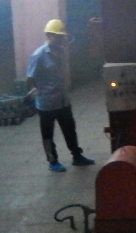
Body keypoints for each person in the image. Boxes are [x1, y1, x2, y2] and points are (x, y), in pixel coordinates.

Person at [26, 19, 95, 172]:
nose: (61, 40)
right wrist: (39, 91)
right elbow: (30, 78)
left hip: (63, 100)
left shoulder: (62, 51)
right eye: (58, 36)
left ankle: (77, 156)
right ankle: (53, 161)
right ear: (49, 36)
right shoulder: (38, 56)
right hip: (46, 103)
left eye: (62, 37)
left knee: (70, 129)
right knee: (48, 134)